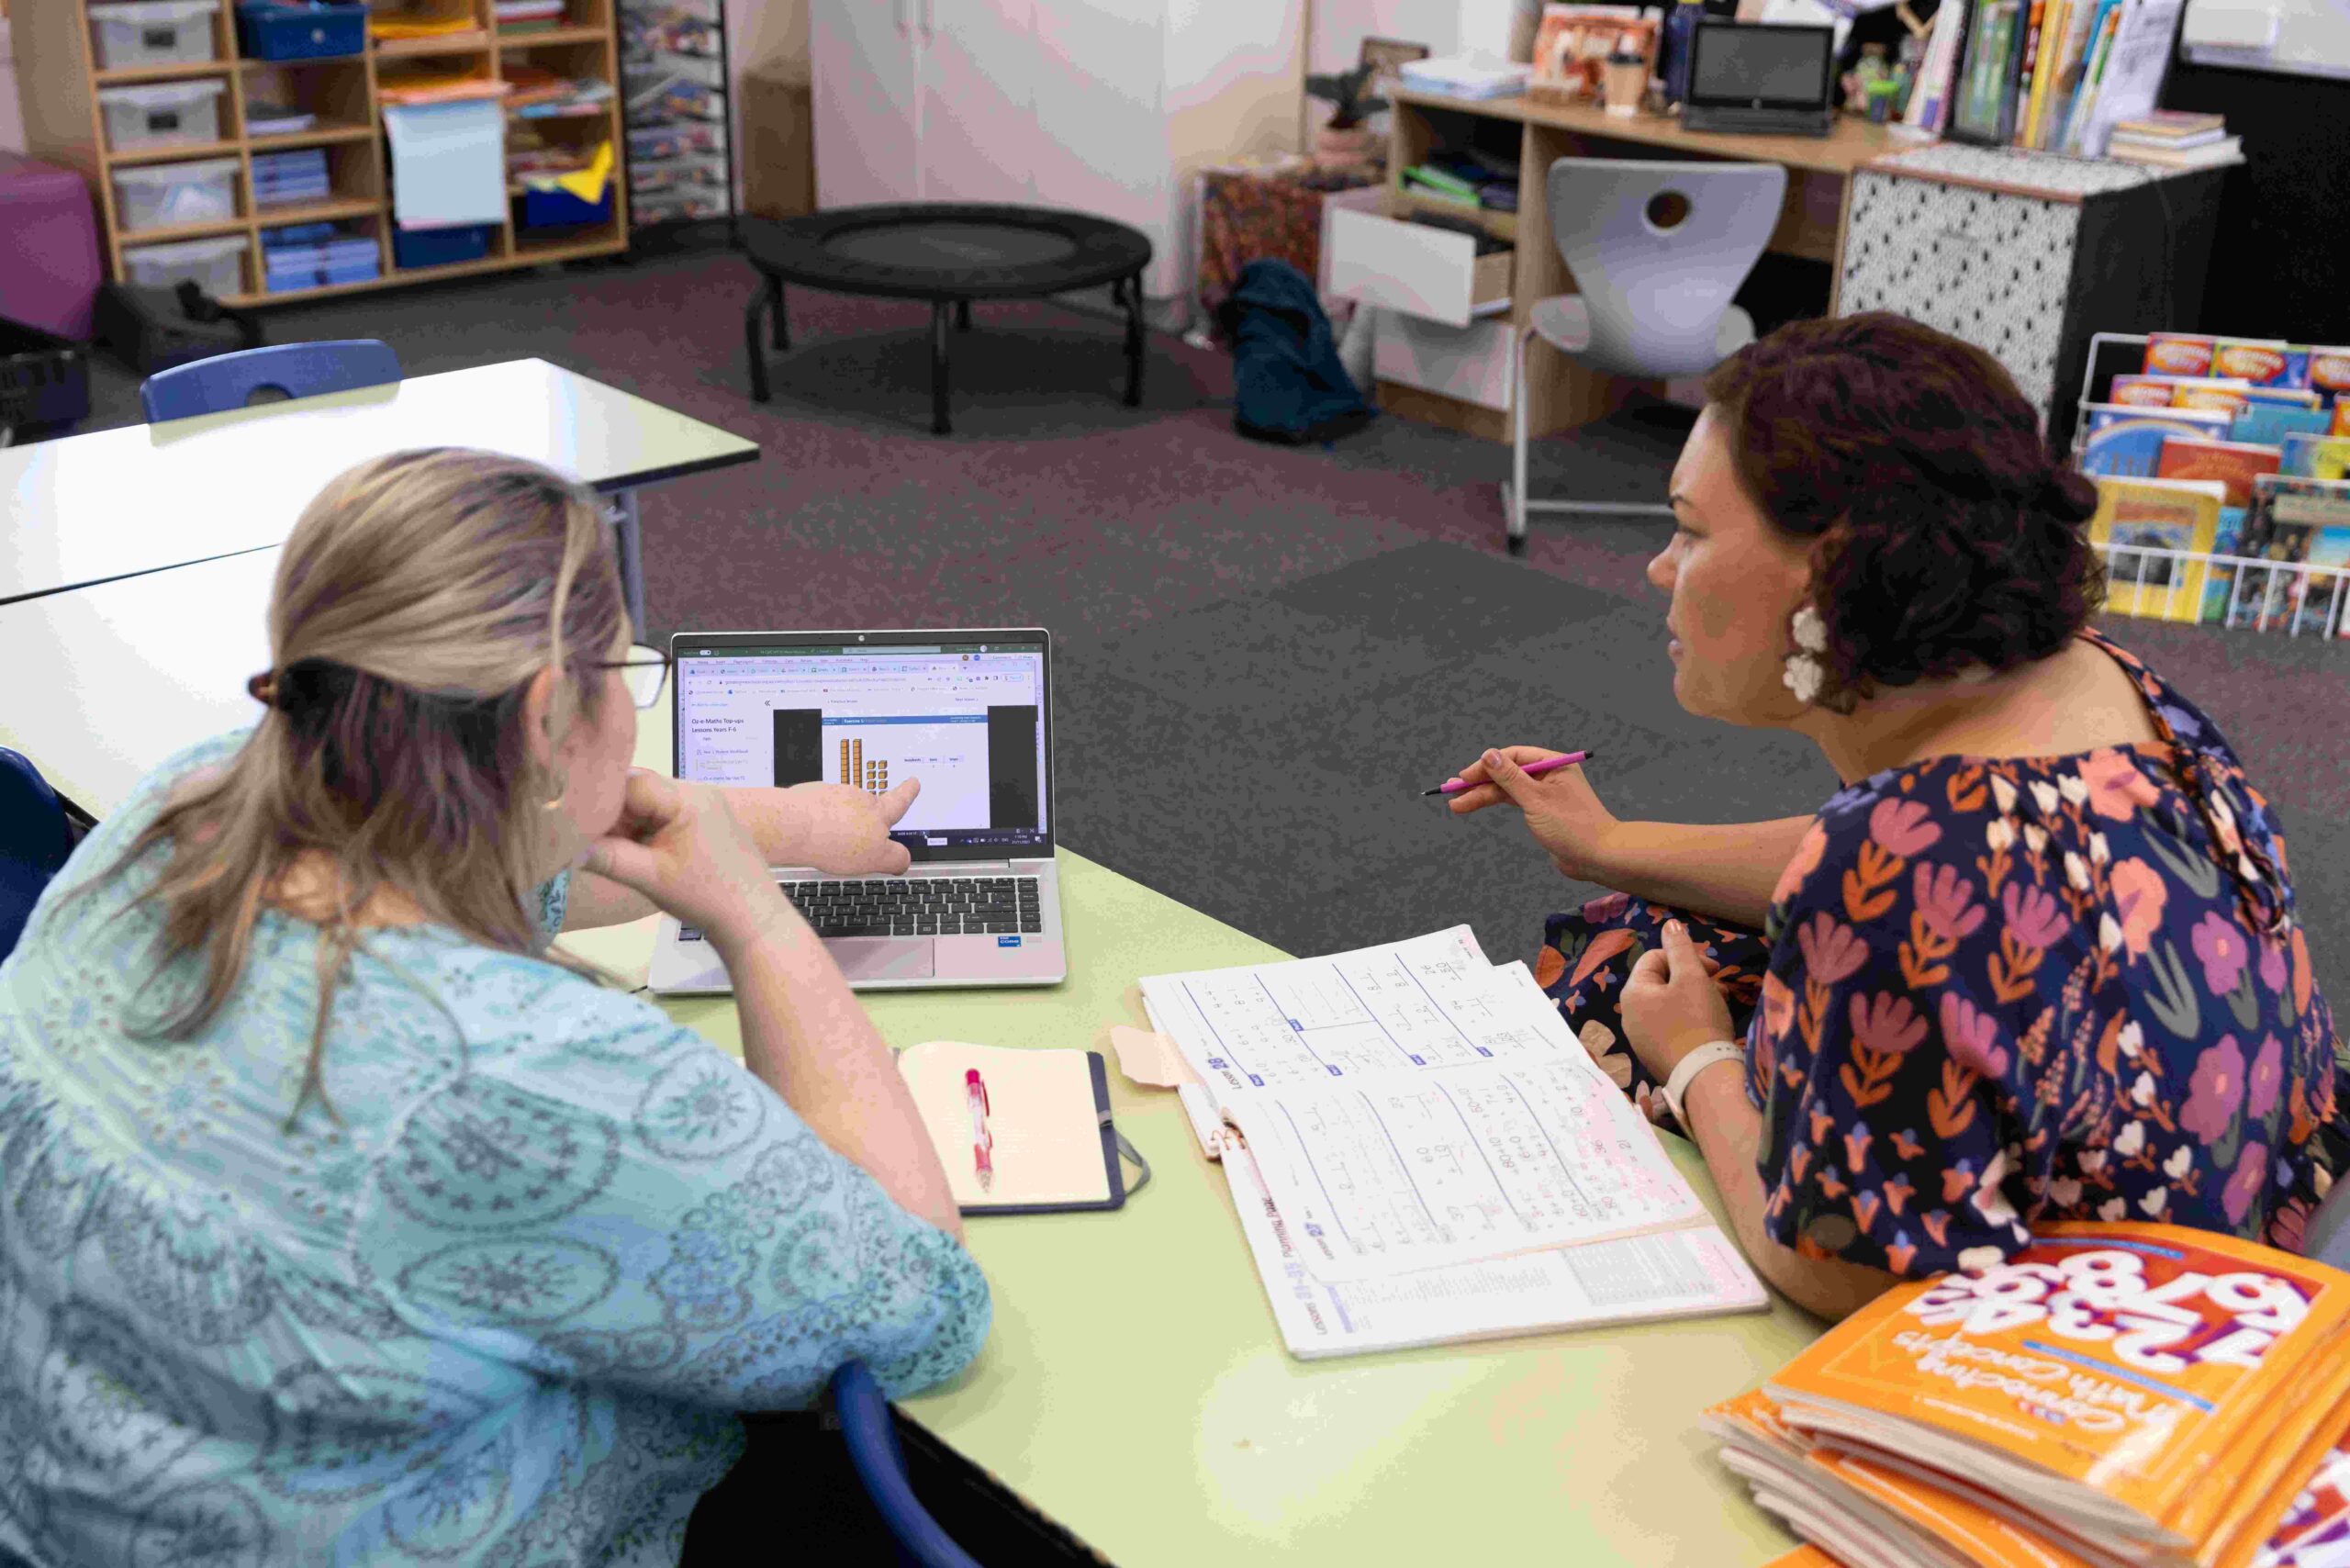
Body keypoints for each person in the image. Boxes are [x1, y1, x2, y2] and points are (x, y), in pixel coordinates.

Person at [0, 450, 990, 1565]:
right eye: (615, 674)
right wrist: (760, 924)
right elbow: (917, 1301)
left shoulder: (178, 808)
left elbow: (536, 858)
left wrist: (806, 829)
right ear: (543, 717)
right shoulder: (521, 1076)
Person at [1448, 314, 2344, 1322]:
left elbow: (1836, 1270)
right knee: (1636, 923)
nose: (1661, 567)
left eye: (1691, 531)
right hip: (2251, 1189)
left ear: (1828, 571)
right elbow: (1943, 874)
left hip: (2096, 1325)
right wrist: (1608, 843)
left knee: (1610, 986)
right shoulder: (2099, 680)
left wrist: (1696, 1061)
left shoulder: (1899, 856)